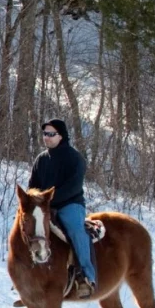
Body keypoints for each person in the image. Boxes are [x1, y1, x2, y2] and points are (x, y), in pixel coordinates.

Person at [28, 118, 95, 298]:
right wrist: (35, 201)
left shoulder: (74, 158)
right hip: (44, 206)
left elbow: (74, 186)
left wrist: (50, 200)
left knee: (75, 230)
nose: (47, 138)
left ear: (61, 136)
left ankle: (86, 277)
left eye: (51, 134)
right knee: (26, 228)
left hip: (70, 204)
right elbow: (33, 186)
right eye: (45, 134)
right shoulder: (41, 160)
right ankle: (25, 278)